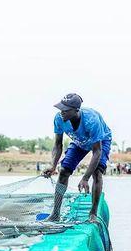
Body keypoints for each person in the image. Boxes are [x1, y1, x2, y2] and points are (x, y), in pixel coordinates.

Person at [42, 93, 112, 222]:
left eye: (66, 110)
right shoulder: (59, 119)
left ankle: (93, 213)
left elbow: (97, 152)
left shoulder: (91, 120)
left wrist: (85, 178)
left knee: (97, 173)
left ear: (76, 111)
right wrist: (52, 165)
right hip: (79, 140)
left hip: (101, 140)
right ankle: (55, 214)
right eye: (60, 108)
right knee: (63, 171)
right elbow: (58, 144)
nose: (61, 112)